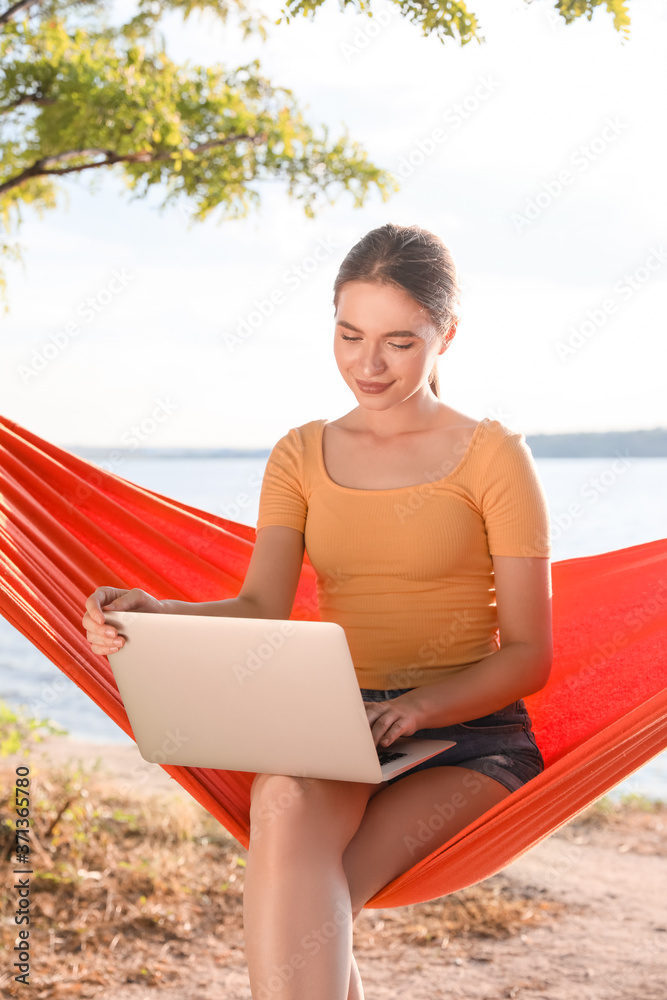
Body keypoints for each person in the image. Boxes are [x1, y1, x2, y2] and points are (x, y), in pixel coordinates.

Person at [82, 222, 553, 1000]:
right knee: (286, 802)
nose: (367, 365)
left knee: (307, 902)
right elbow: (262, 604)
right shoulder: (299, 454)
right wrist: (154, 613)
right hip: (334, 728)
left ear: (447, 336)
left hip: (468, 737)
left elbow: (529, 655)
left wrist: (418, 706)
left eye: (399, 342)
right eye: (348, 334)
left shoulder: (494, 455)